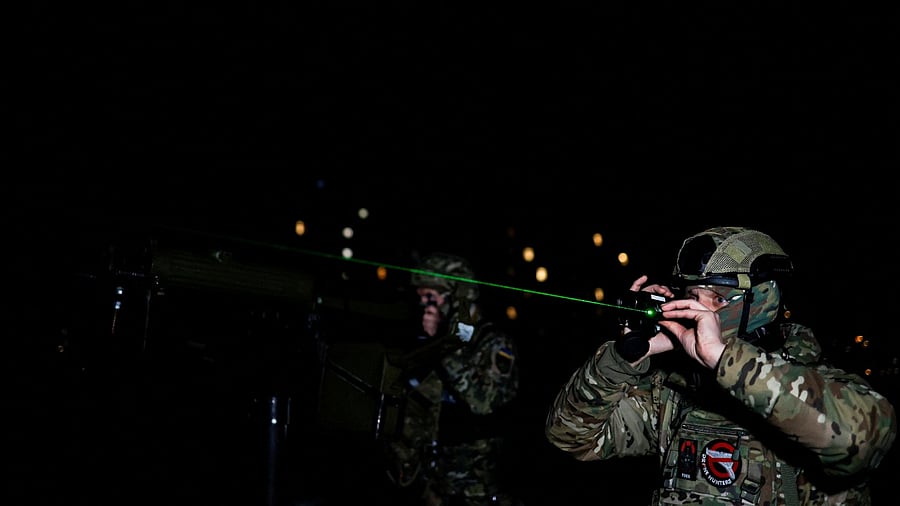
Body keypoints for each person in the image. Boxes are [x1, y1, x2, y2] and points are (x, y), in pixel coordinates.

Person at [544, 226, 897, 505]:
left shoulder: (820, 383)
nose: (700, 310)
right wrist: (624, 358)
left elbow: (861, 442)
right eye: (693, 297)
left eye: (717, 298)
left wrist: (723, 358)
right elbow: (570, 437)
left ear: (761, 300)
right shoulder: (676, 393)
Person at [382, 252, 521, 506]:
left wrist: (444, 344)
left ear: (457, 297)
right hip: (437, 488)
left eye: (430, 297)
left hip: (475, 491)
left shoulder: (493, 344)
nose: (424, 304)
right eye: (420, 297)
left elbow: (483, 402)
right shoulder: (431, 344)